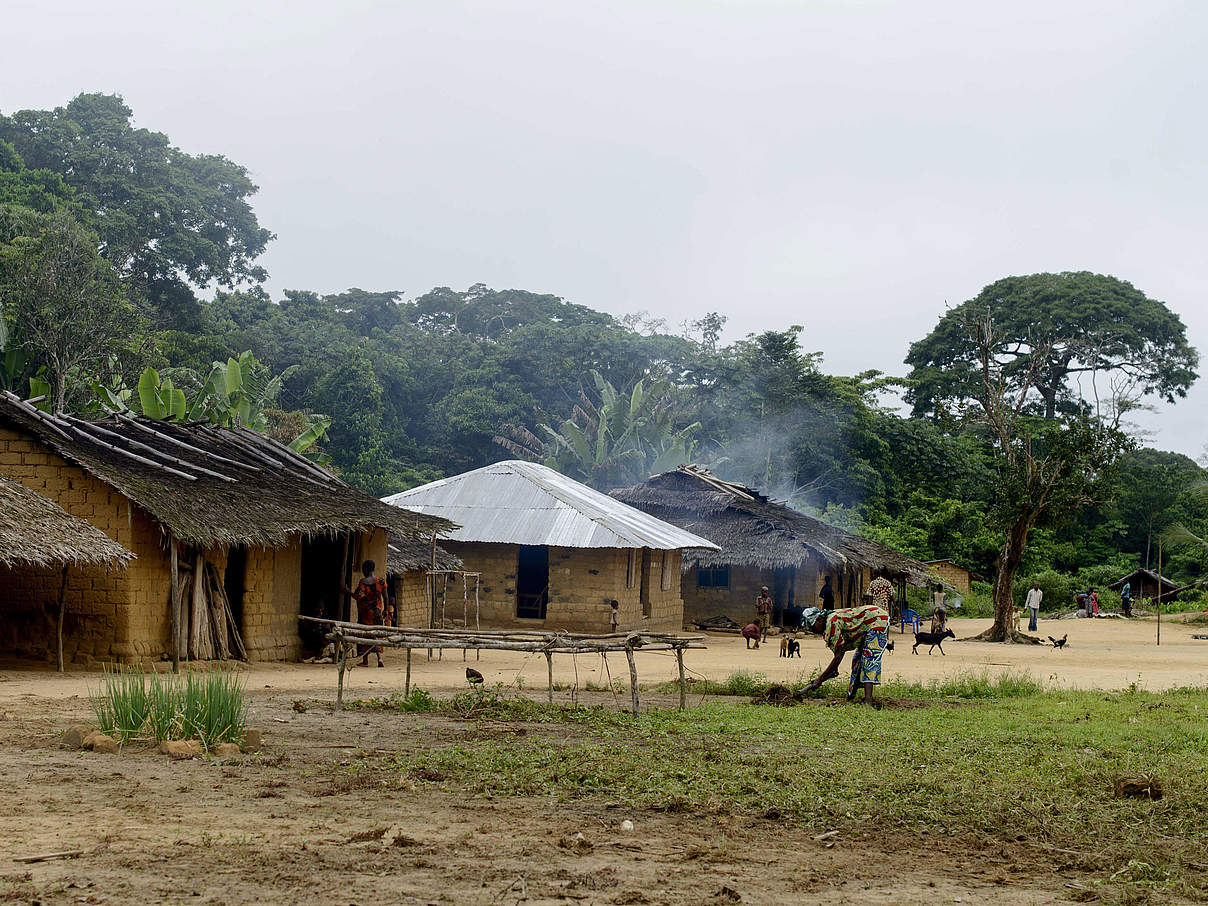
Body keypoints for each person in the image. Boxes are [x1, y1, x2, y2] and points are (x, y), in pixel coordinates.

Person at [800, 601, 889, 707]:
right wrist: (831, 672)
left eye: (813, 627)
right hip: (868, 627)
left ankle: (868, 701)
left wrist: (820, 679)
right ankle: (851, 697)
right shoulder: (828, 625)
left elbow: (839, 655)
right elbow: (838, 653)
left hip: (877, 620)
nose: (814, 630)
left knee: (868, 659)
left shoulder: (831, 623)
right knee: (857, 660)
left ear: (819, 620)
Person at [344, 560, 391, 667]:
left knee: (364, 635)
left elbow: (357, 596)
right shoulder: (381, 581)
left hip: (365, 614)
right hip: (377, 613)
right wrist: (386, 610)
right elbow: (386, 597)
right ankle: (379, 658)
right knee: (376, 635)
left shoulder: (363, 582)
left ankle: (365, 661)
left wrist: (348, 592)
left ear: (365, 569)